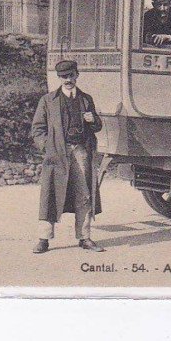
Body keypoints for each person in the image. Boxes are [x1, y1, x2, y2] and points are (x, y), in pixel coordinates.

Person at [30, 60, 105, 254]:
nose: (68, 79)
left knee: (84, 194)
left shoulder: (86, 99)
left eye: (71, 75)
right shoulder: (48, 100)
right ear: (59, 78)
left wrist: (93, 120)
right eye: (64, 76)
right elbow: (37, 129)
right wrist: (48, 147)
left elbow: (97, 127)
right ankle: (44, 239)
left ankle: (85, 238)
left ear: (77, 75)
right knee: (50, 194)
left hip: (81, 151)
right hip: (57, 153)